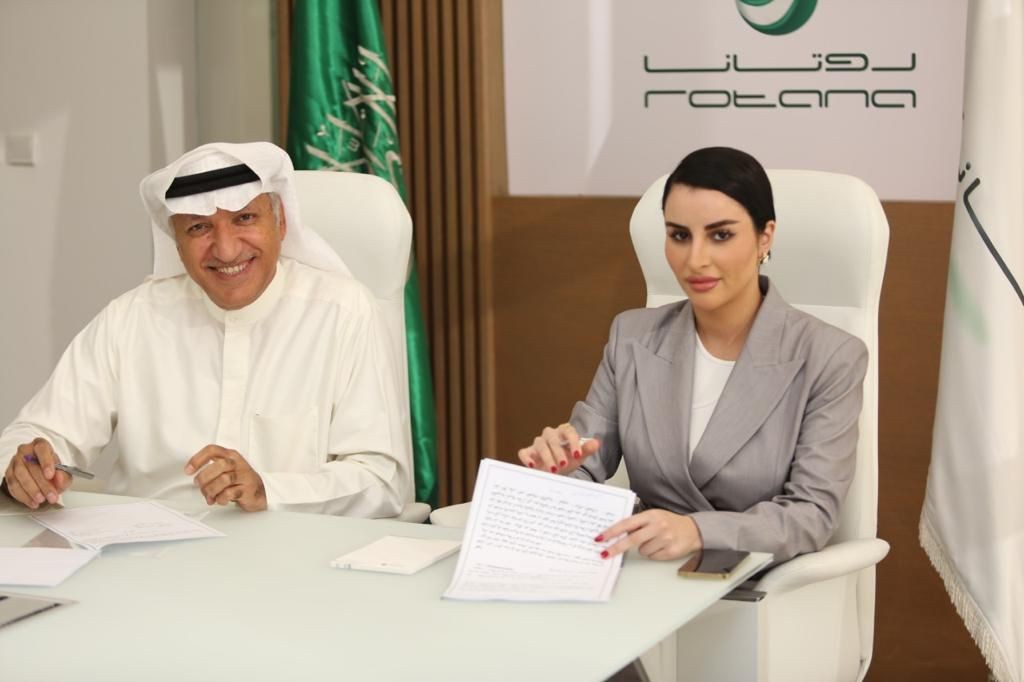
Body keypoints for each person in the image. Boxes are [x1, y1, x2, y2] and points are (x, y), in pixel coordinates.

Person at [1, 142, 411, 516]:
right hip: (146, 558)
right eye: (199, 227)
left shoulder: (343, 312)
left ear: (281, 222)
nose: (227, 250)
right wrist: (25, 467)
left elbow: (382, 481)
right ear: (176, 242)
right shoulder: (131, 319)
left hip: (287, 558)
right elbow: (37, 433)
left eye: (244, 218)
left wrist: (269, 490)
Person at [518, 147, 867, 564]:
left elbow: (811, 515)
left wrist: (698, 531)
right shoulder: (632, 337)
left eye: (721, 235)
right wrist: (557, 475)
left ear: (765, 237)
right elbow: (585, 464)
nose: (695, 260)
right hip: (644, 572)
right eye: (680, 236)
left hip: (753, 581)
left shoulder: (830, 356)